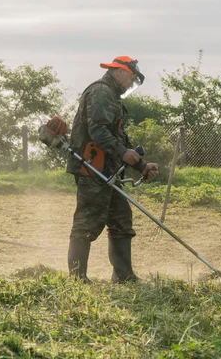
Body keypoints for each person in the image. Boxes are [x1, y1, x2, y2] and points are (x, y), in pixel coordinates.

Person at [65, 55, 159, 283]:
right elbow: (98, 131)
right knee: (87, 223)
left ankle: (123, 276)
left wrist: (141, 165)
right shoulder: (100, 92)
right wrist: (123, 152)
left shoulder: (113, 98)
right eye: (131, 78)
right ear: (119, 72)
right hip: (92, 168)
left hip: (109, 171)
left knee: (121, 220)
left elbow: (118, 139)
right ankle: (77, 280)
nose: (130, 84)